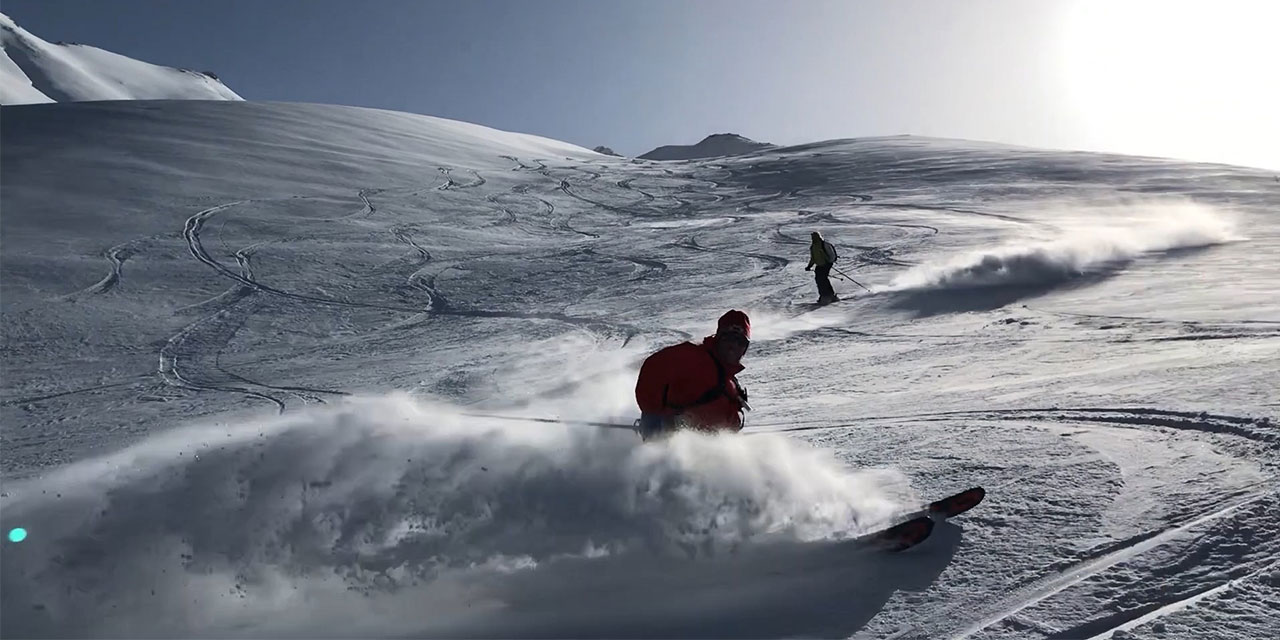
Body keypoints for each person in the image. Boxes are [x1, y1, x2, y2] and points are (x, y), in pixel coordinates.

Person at [634, 310, 752, 440]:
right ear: (718, 338)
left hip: (709, 451)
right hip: (673, 447)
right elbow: (654, 368)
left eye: (740, 342)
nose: (733, 346)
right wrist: (653, 416)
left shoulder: (730, 382)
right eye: (728, 339)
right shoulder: (693, 357)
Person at [805, 231, 839, 304]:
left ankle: (829, 295)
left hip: (826, 264)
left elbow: (831, 254)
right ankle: (824, 295)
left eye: (814, 237)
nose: (813, 238)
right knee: (819, 279)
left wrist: (830, 262)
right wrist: (809, 266)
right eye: (812, 237)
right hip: (819, 265)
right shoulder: (813, 246)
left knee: (822, 278)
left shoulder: (824, 245)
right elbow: (813, 258)